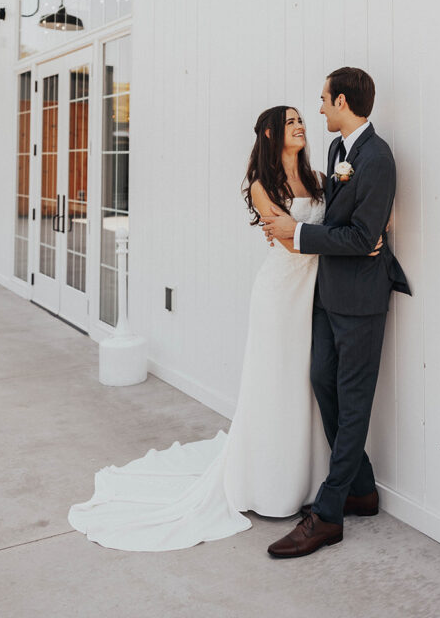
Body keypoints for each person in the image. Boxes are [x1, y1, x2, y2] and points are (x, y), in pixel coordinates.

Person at [68, 105, 339, 551]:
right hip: (278, 294)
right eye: (290, 121)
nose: (301, 126)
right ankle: (269, 486)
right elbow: (289, 243)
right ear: (271, 133)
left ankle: (307, 481)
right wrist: (320, 238)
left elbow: (305, 231)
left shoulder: (318, 179)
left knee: (305, 384)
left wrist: (317, 234)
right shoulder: (260, 186)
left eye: (301, 120)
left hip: (312, 293)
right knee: (274, 384)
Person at [260, 67, 411, 559]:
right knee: (323, 379)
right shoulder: (336, 151)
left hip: (363, 301)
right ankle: (362, 490)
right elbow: (344, 223)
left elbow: (363, 238)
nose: (319, 108)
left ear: (343, 101)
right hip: (328, 293)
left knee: (354, 401)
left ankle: (327, 514)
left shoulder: (379, 158)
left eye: (324, 100)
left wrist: (297, 235)